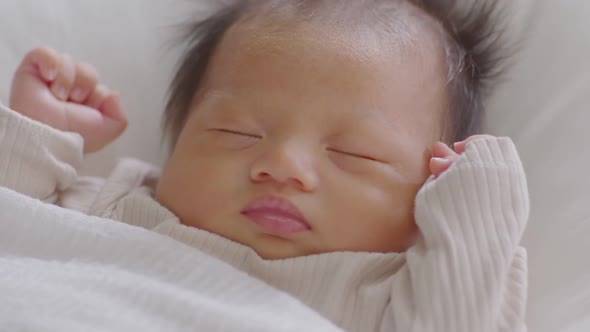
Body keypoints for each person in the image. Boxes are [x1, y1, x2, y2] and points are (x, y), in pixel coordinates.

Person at [1, 0, 529, 331]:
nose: (282, 166)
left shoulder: (392, 292)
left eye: (354, 154)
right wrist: (39, 134)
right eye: (237, 133)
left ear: (428, 193)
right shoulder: (119, 204)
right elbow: (16, 233)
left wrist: (475, 219)